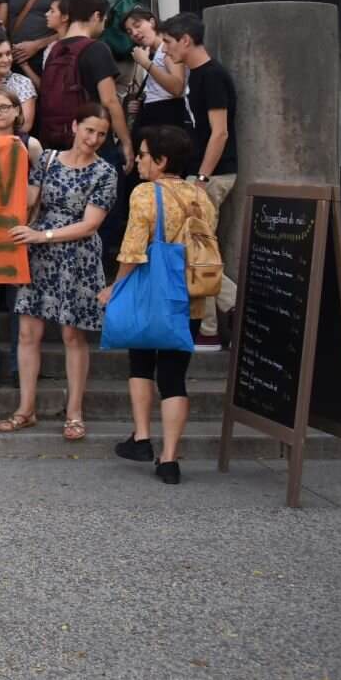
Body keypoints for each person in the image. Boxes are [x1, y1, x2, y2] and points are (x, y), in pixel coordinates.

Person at [1, 103, 117, 442]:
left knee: (72, 336)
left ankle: (75, 412)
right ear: (74, 125)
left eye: (101, 134)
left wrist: (43, 235)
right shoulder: (48, 160)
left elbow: (90, 224)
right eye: (89, 130)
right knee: (27, 334)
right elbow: (27, 201)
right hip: (39, 256)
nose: (93, 138)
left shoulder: (105, 172)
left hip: (77, 257)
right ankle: (25, 409)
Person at [103, 125, 212, 484]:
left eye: (145, 154)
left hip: (150, 295)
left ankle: (141, 438)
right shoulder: (201, 196)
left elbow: (133, 250)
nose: (138, 159)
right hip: (189, 300)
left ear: (162, 161)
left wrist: (114, 289)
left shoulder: (145, 194)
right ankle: (169, 460)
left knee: (140, 362)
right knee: (174, 375)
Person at [160, 12, 239, 350]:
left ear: (186, 40)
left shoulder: (212, 76)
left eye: (168, 42)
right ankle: (208, 330)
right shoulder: (196, 75)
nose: (165, 50)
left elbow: (219, 133)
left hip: (212, 175)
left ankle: (237, 307)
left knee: (198, 254)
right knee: (196, 253)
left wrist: (202, 178)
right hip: (201, 173)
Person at [0, 86, 43, 389]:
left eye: (5, 107)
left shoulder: (32, 145)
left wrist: (35, 226)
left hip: (19, 233)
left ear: (18, 111)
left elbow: (40, 191)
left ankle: (18, 365)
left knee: (18, 303)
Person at [37, 0, 132, 172]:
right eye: (104, 21)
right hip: (95, 143)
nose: (103, 27)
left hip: (59, 143)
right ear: (96, 16)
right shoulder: (97, 49)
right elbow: (109, 101)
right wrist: (126, 142)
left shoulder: (54, 50)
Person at [125, 8, 190, 131]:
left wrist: (146, 64)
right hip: (153, 116)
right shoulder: (149, 53)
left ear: (152, 22)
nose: (134, 33)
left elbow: (177, 88)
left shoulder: (167, 50)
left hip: (167, 117)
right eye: (129, 31)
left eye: (137, 25)